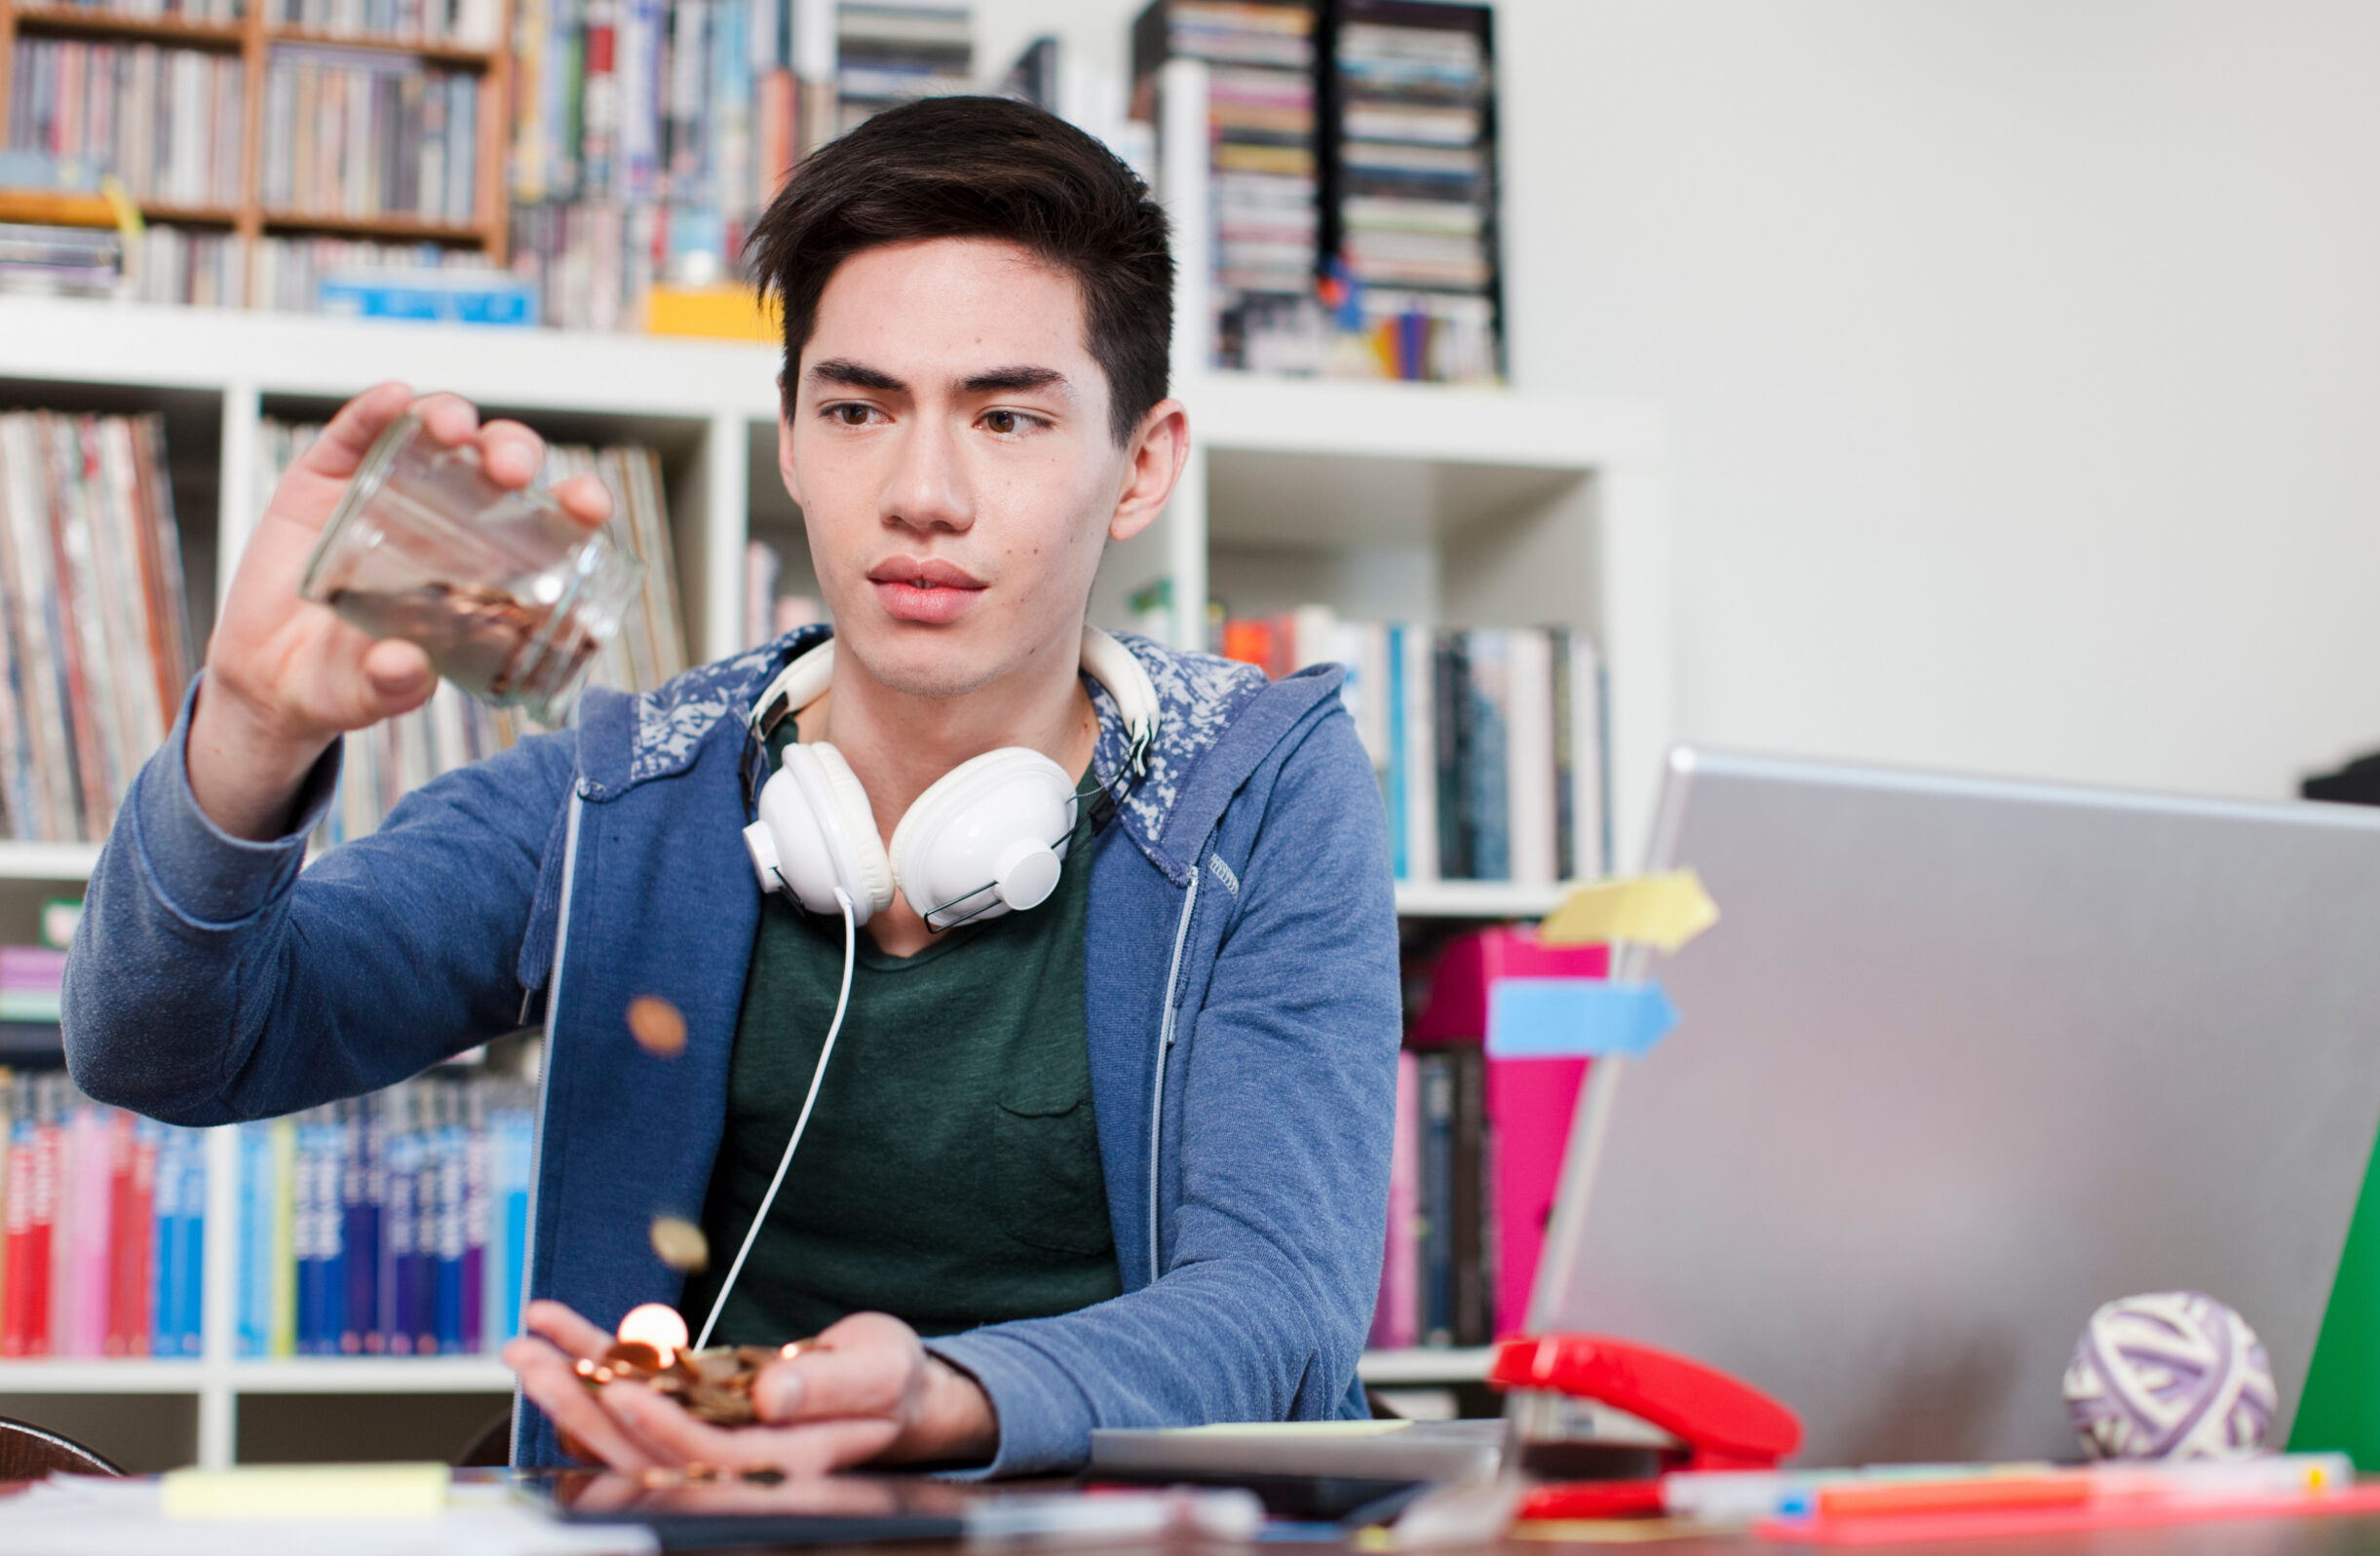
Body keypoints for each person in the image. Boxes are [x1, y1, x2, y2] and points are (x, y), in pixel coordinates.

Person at [61, 96, 1401, 1475]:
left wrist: (942, 1398)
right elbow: (164, 1049)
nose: (921, 492)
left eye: (1007, 418)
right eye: (858, 409)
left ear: (1142, 464)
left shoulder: (1262, 792)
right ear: (789, 440)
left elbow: (1279, 1312)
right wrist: (252, 728)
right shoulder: (633, 788)